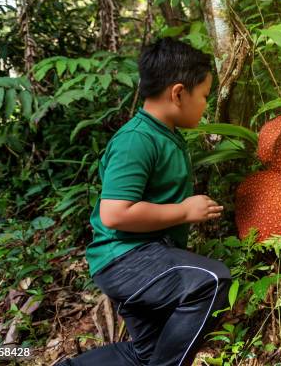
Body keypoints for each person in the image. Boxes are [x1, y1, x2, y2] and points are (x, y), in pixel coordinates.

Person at [58, 38, 232, 366]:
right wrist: (184, 210)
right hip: (126, 260)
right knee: (210, 281)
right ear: (179, 93)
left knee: (146, 355)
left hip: (141, 259)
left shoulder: (165, 135)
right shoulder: (136, 139)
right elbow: (114, 213)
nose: (206, 105)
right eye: (205, 96)